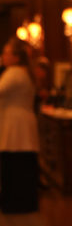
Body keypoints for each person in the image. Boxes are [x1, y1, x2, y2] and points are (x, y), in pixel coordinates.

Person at [0, 38, 40, 214]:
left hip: (16, 125)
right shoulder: (21, 71)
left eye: (6, 53)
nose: (3, 56)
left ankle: (17, 204)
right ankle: (21, 202)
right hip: (19, 123)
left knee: (15, 166)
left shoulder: (14, 72)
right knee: (20, 164)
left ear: (16, 57)